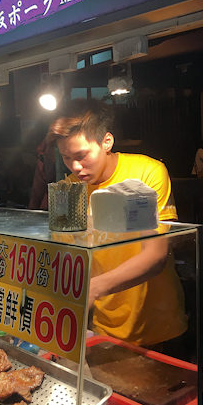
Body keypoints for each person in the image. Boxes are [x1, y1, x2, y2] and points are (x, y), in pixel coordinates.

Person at [48, 99, 188, 353]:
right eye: (66, 158)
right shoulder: (67, 189)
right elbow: (67, 259)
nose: (75, 167)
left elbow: (156, 255)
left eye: (81, 156)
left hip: (157, 327)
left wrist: (93, 288)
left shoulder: (147, 172)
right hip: (103, 328)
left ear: (107, 142)